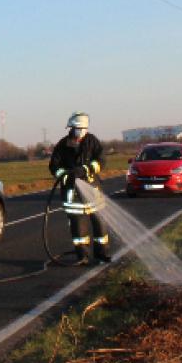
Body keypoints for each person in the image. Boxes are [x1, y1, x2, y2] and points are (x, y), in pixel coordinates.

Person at [49, 112, 111, 265]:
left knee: (100, 224)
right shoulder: (63, 145)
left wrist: (87, 168)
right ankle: (83, 256)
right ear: (72, 128)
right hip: (72, 192)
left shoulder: (92, 141)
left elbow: (101, 160)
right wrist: (65, 175)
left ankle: (101, 254)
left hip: (92, 189)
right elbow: (54, 166)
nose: (81, 132)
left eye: (84, 129)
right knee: (78, 226)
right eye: (78, 128)